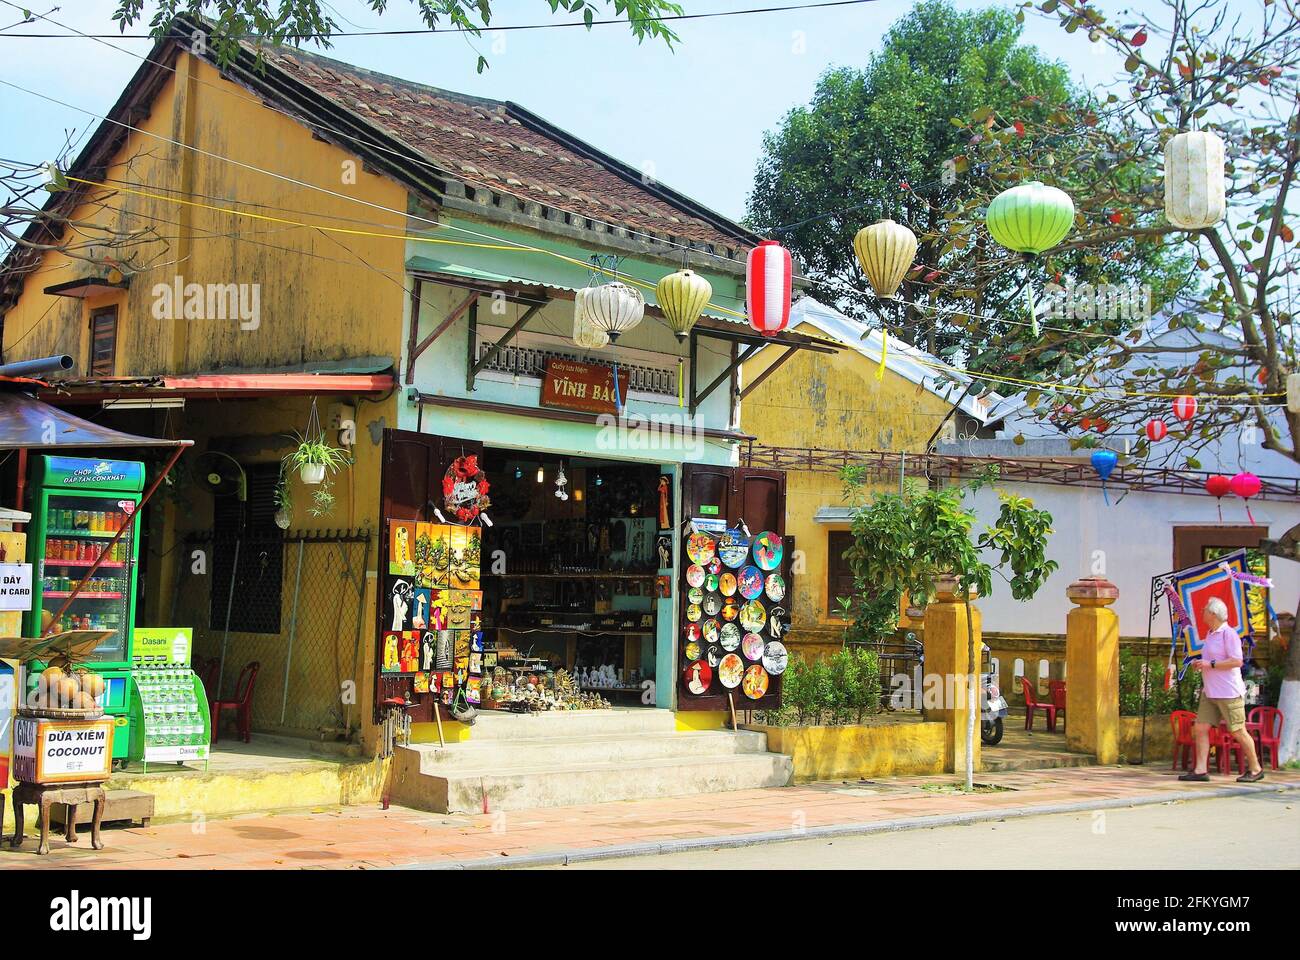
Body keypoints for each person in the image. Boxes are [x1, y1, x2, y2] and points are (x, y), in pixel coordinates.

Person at [1179, 597, 1264, 782]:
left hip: (1228, 692)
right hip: (1210, 692)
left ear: (1213, 614)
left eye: (1204, 610)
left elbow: (1237, 661)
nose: (1202, 613)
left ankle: (1256, 769)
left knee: (1238, 731)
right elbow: (1211, 661)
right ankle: (1200, 770)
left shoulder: (1229, 634)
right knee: (1201, 728)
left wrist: (1210, 663)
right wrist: (1200, 663)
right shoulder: (1210, 634)